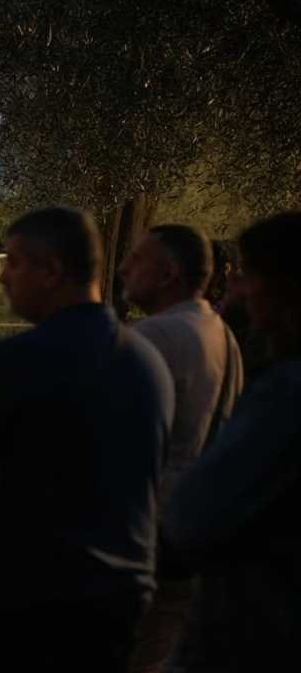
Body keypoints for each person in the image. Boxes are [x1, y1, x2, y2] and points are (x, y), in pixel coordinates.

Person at [0, 207, 174, 673]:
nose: (3, 277)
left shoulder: (15, 359)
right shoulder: (146, 358)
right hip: (124, 590)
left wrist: (2, 486)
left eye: (14, 262)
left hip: (33, 592)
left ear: (53, 270)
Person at [164, 211, 301, 672]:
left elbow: (193, 515)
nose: (238, 288)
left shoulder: (285, 392)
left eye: (249, 275)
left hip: (257, 632)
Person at [118, 225, 245, 672]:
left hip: (145, 534)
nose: (123, 268)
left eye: (136, 259)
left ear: (168, 272)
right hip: (193, 526)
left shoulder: (151, 337)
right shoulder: (219, 331)